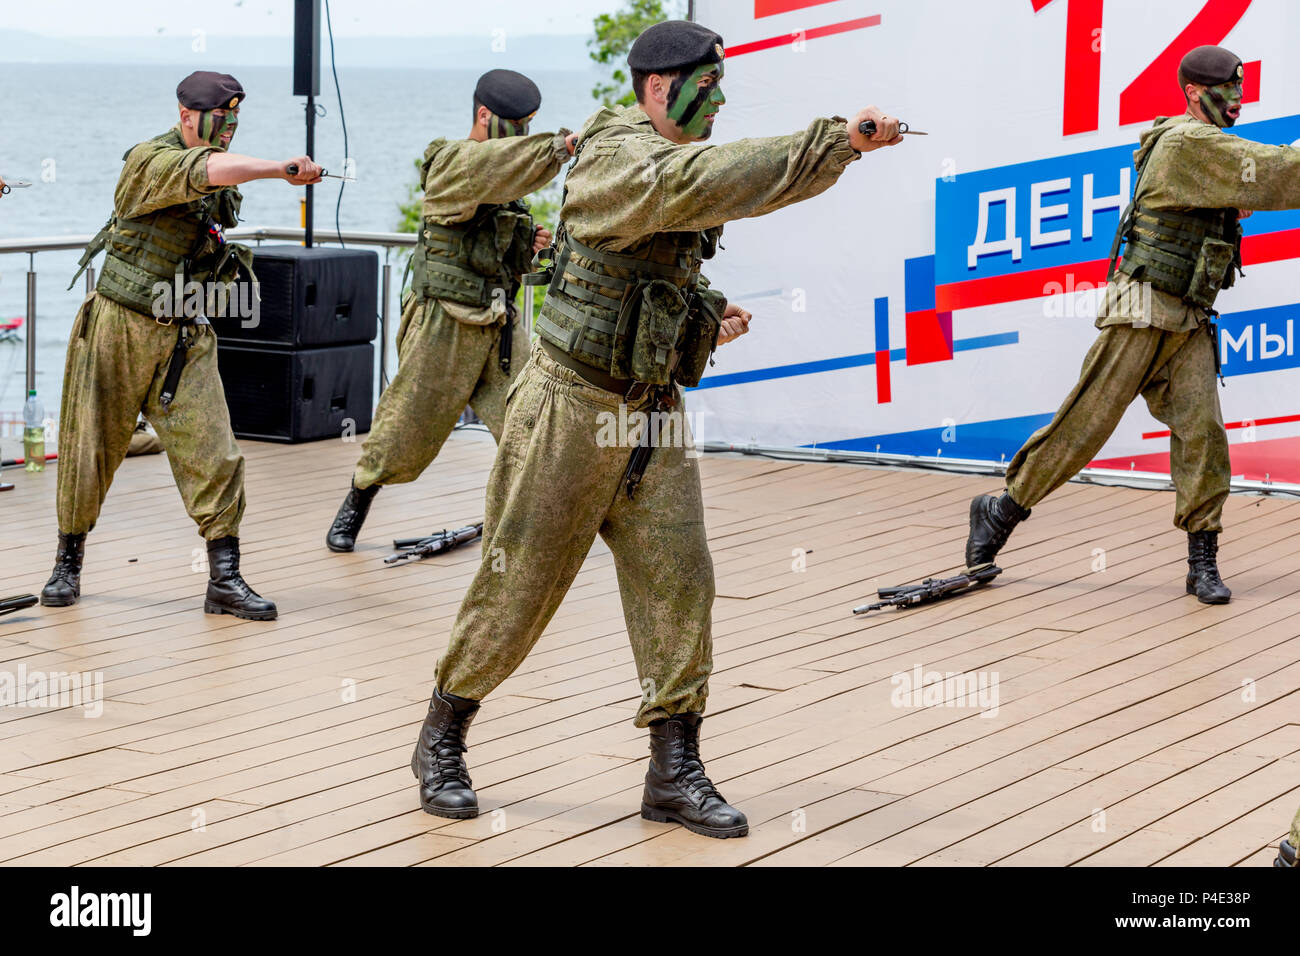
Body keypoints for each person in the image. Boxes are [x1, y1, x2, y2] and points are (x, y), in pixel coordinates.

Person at [408, 19, 903, 838]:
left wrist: (705, 315)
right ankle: (442, 738)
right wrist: (837, 142)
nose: (717, 103)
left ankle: (673, 770)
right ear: (659, 89)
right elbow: (707, 180)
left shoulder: (666, 161)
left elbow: (647, 271)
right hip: (569, 409)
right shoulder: (618, 157)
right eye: (706, 88)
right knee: (519, 585)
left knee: (680, 578)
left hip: (649, 414)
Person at [966, 45, 1300, 605]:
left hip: (1188, 314)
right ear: (1193, 91)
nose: (1238, 100)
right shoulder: (1188, 143)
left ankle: (1202, 561)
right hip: (1143, 308)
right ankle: (1001, 510)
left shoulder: (1203, 147)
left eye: (1242, 88)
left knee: (1203, 434)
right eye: (1227, 89)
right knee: (1087, 421)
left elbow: (1257, 180)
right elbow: (1277, 172)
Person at [40, 70, 322, 620]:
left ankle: (224, 578)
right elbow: (204, 170)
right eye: (221, 119)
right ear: (186, 115)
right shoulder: (150, 160)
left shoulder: (219, 170)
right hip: (119, 326)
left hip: (184, 334)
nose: (229, 130)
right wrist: (279, 169)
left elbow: (215, 183)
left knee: (215, 452)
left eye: (235, 120)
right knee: (88, 448)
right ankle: (66, 563)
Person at [325, 70, 578, 551]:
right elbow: (493, 170)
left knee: (530, 422)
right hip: (445, 321)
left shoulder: (506, 181)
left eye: (528, 126)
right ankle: (359, 496)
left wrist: (528, 243)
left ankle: (518, 528)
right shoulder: (454, 162)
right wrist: (562, 147)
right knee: (408, 426)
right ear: (483, 116)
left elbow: (496, 251)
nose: (521, 136)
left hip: (498, 323)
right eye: (514, 125)